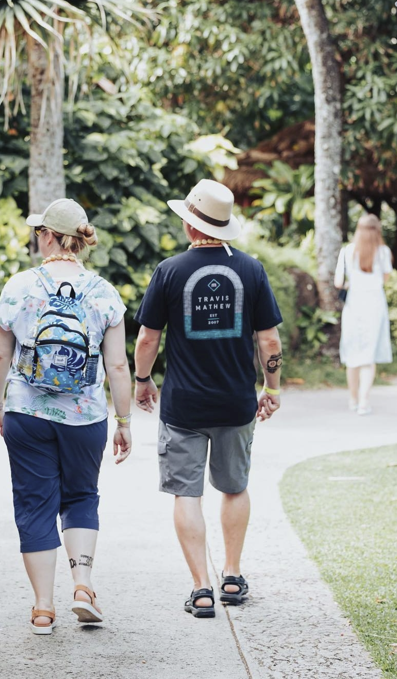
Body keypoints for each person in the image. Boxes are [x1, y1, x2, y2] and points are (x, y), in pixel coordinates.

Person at [134, 179, 283, 616]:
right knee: (235, 487)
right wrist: (271, 389)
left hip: (183, 405)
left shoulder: (169, 271)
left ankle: (201, 589)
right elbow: (270, 341)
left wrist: (143, 380)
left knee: (187, 493)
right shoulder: (252, 271)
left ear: (189, 223)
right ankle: (232, 578)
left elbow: (147, 338)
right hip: (237, 404)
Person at [0, 198, 132, 635]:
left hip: (27, 413)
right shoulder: (104, 292)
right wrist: (123, 421)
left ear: (47, 236)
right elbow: (118, 366)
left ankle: (44, 608)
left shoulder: (20, 285)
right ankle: (83, 586)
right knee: (82, 496)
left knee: (35, 504)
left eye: (39, 233)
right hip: (86, 417)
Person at [334, 214, 393, 415]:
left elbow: (338, 283)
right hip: (375, 304)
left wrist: (353, 283)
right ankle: (364, 402)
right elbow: (385, 278)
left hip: (354, 305)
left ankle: (352, 399)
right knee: (369, 355)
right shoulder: (383, 252)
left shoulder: (348, 251)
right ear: (377, 230)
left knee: (353, 354)